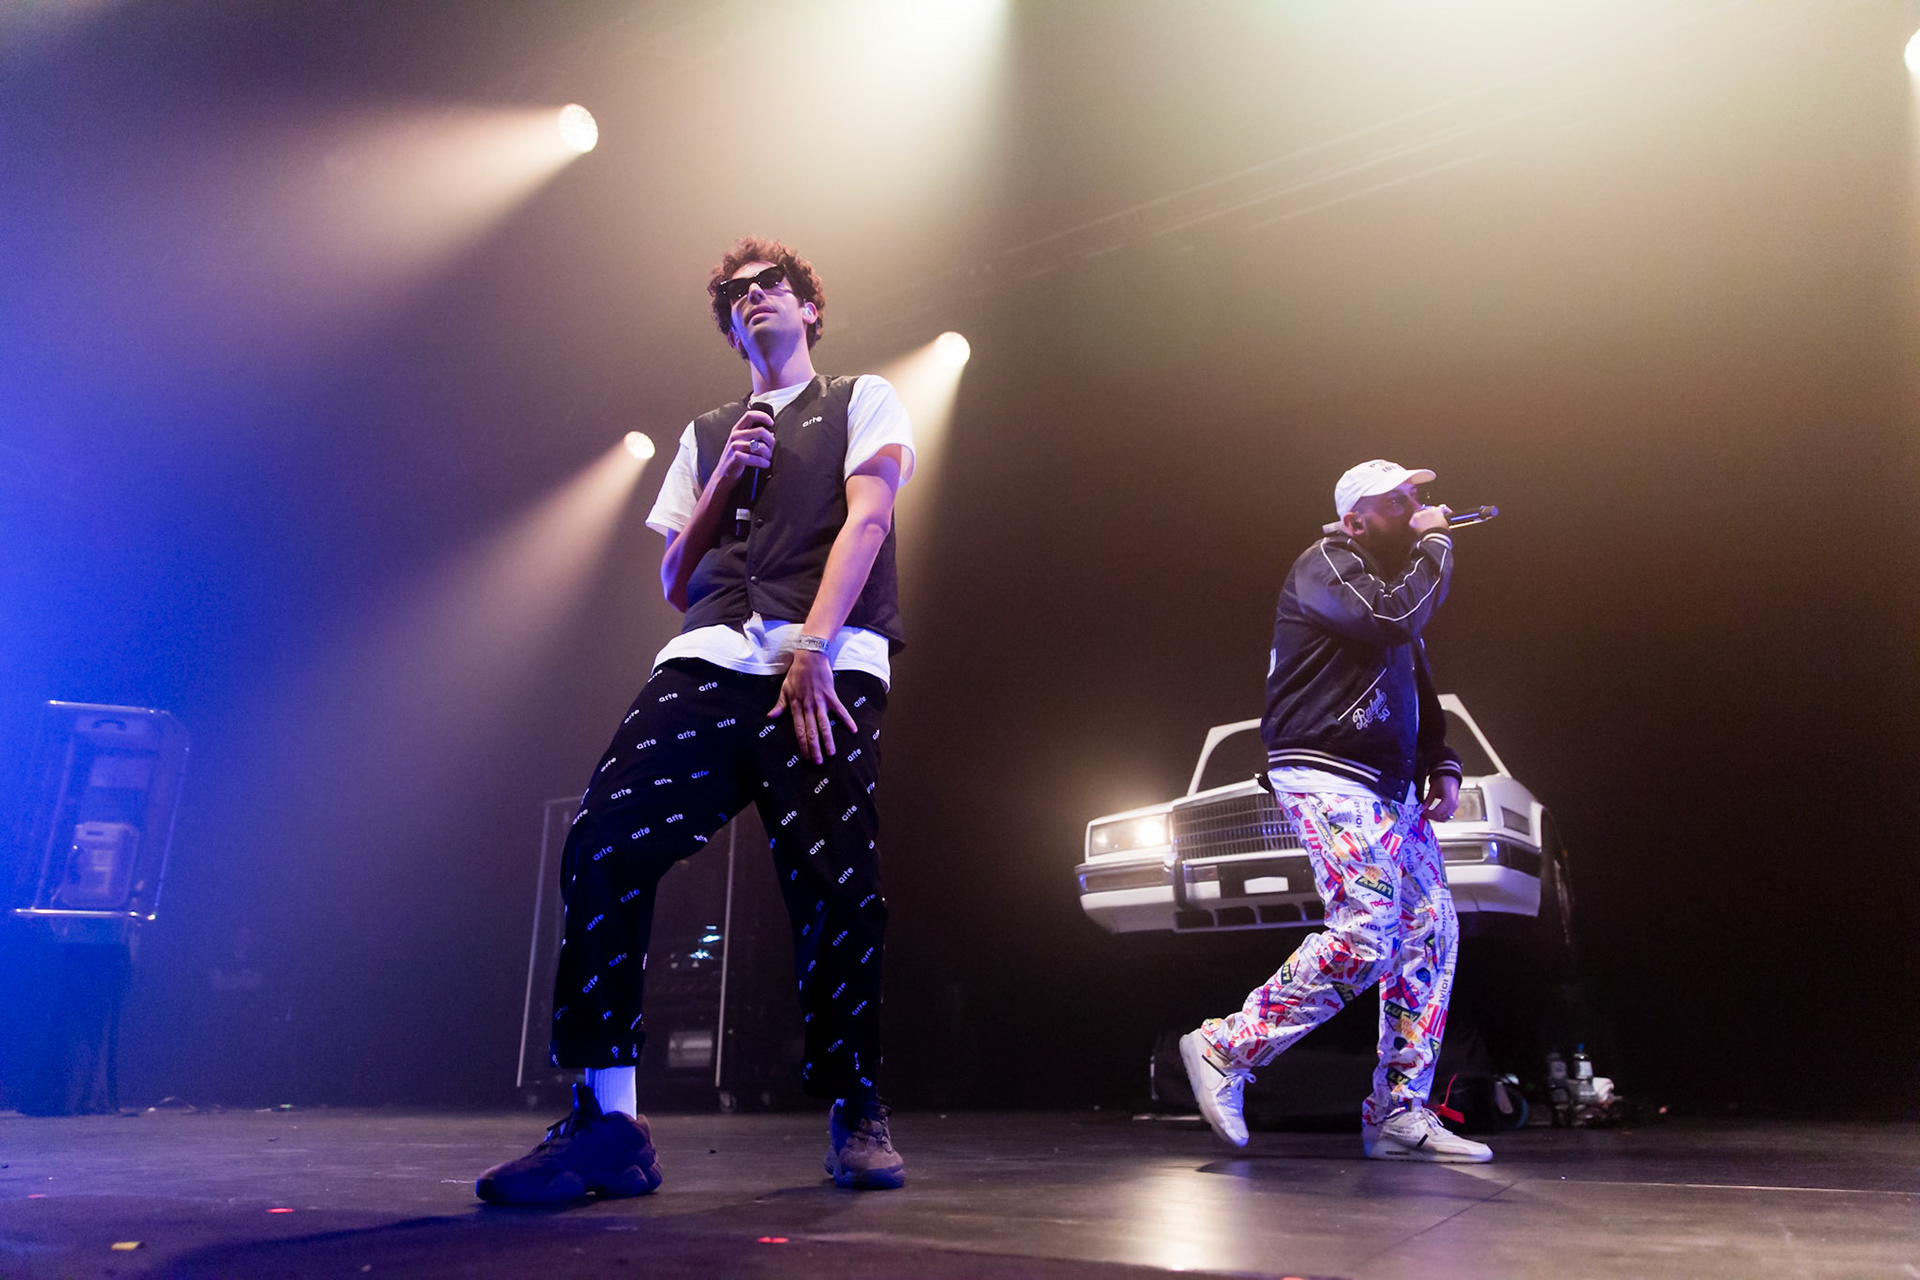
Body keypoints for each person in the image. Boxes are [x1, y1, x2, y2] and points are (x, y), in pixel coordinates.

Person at [478, 238, 915, 1203]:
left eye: (775, 287)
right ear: (729, 327)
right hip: (708, 660)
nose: (757, 299)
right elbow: (676, 579)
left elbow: (870, 519)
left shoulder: (863, 399)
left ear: (809, 309)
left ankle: (854, 1102)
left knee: (836, 886)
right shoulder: (708, 430)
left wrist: (813, 646)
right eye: (738, 295)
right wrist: (725, 476)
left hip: (827, 664)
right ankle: (609, 1122)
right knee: (601, 843)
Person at [1179, 459, 1493, 1162]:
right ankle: (1225, 1048)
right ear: (1356, 520)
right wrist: (1439, 544)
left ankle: (1399, 1112)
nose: (1416, 509)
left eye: (1419, 498)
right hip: (1326, 772)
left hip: (1388, 786)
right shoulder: (1327, 562)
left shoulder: (1390, 585)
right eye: (1398, 502)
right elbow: (1395, 619)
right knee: (1367, 930)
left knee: (1431, 932)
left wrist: (1438, 757)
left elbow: (1413, 670)